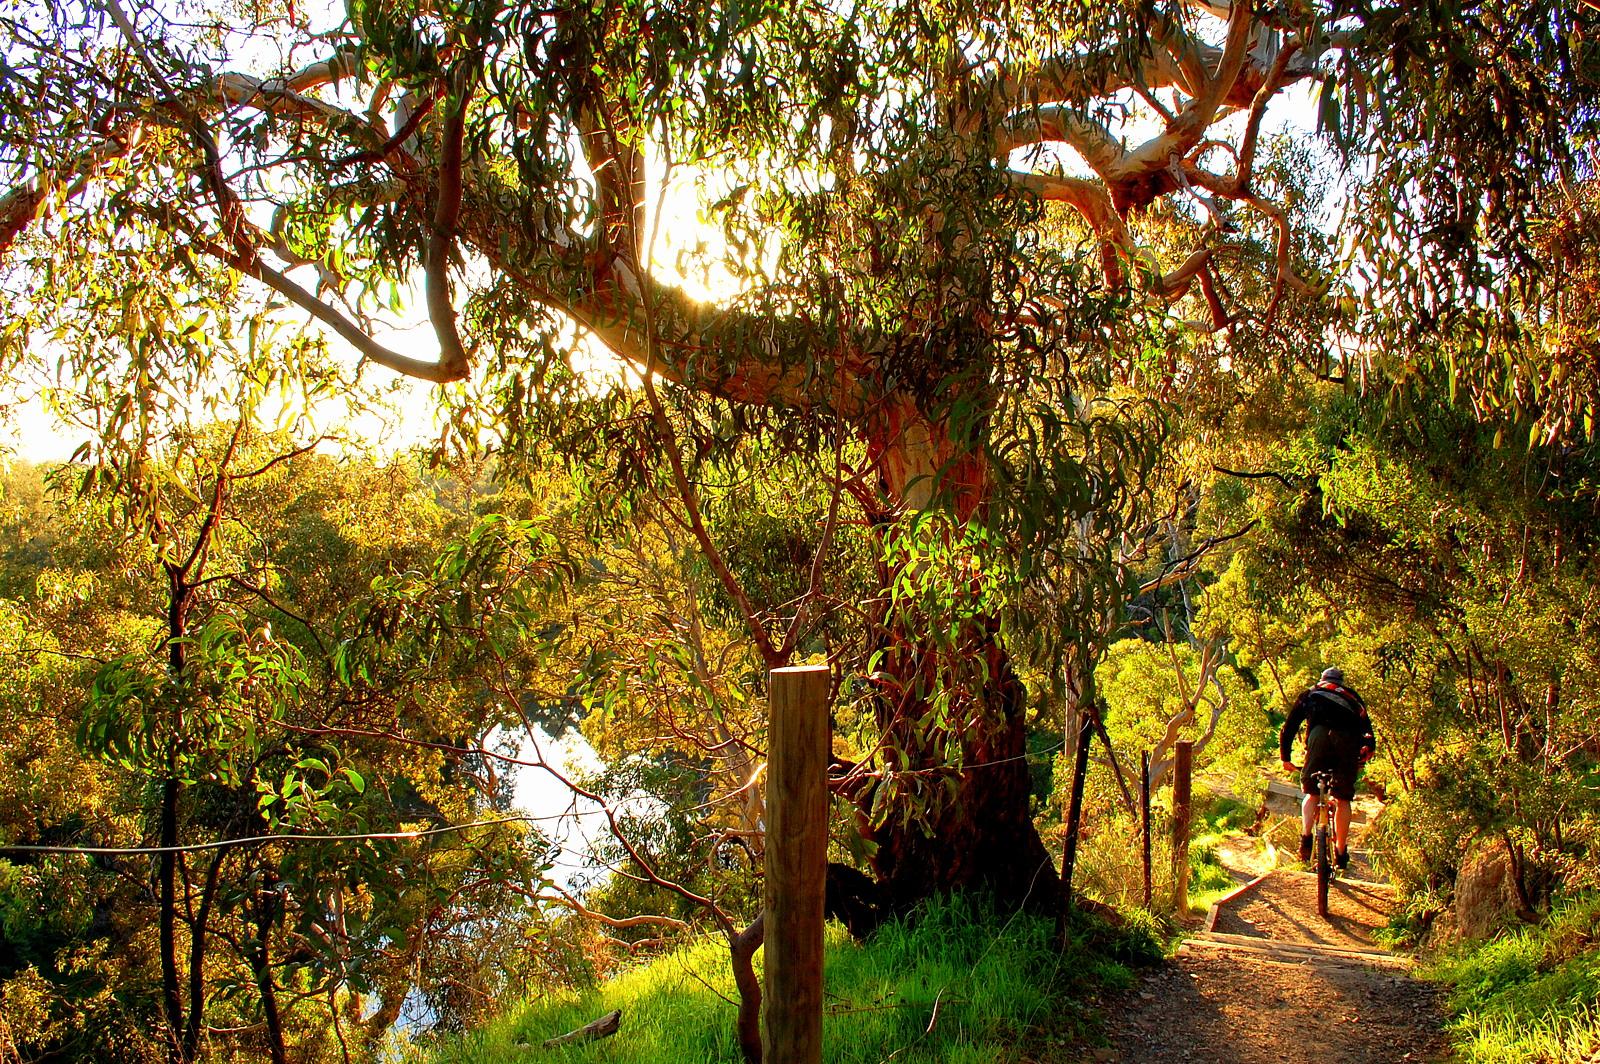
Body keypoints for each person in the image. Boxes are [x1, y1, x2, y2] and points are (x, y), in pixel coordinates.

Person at [1279, 666, 1375, 870]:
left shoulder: (1310, 694)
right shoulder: (1352, 697)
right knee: (1343, 798)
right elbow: (1368, 734)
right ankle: (1340, 852)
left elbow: (1289, 728)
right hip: (1347, 742)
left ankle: (1305, 840)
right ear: (1341, 681)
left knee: (1312, 793)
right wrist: (1366, 752)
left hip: (1318, 739)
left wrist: (1285, 758)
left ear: (1322, 678)